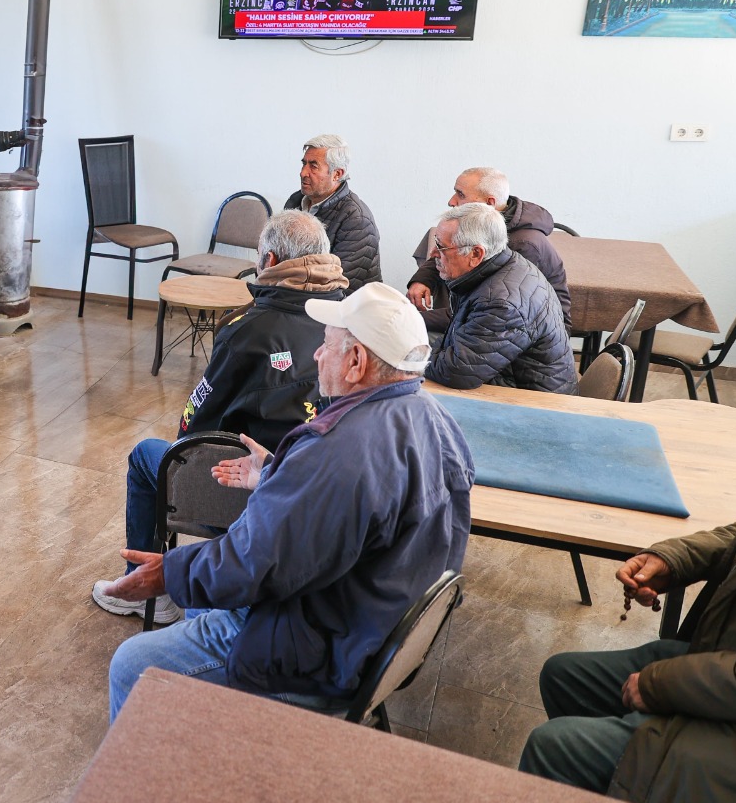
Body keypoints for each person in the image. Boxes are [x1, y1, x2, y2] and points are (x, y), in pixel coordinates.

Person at [104, 283, 474, 721]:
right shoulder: (439, 422)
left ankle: (155, 780)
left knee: (131, 664)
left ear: (356, 362)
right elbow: (352, 516)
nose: (317, 355)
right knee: (203, 595)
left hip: (319, 655)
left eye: (327, 345)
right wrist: (281, 473)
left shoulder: (335, 452)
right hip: (369, 625)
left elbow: (251, 565)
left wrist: (167, 572)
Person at [91, 210, 348, 624]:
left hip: (248, 485)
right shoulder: (346, 317)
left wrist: (184, 448)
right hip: (316, 487)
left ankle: (141, 586)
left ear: (270, 260)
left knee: (148, 455)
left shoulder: (249, 328)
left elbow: (197, 420)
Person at [519, 523, 736, 803]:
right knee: (563, 677)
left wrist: (658, 684)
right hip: (716, 661)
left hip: (729, 728)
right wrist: (670, 559)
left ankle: (630, 784)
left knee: (553, 746)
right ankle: (608, 800)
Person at [423, 203, 578, 394]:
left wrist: (407, 354)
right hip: (506, 376)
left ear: (476, 254)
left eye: (441, 246)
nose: (433, 254)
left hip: (530, 405)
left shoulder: (501, 303)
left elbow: (456, 372)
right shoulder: (506, 263)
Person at [407, 167, 570, 331]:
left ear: (489, 203)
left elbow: (482, 310)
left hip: (527, 332)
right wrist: (423, 279)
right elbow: (447, 252)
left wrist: (407, 318)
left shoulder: (524, 244)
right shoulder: (481, 224)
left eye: (461, 195)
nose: (451, 201)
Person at [282, 134, 380, 290]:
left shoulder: (357, 219)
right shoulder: (295, 201)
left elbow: (338, 283)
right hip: (297, 295)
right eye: (304, 164)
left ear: (337, 174)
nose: (303, 173)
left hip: (343, 306)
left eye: (313, 166)